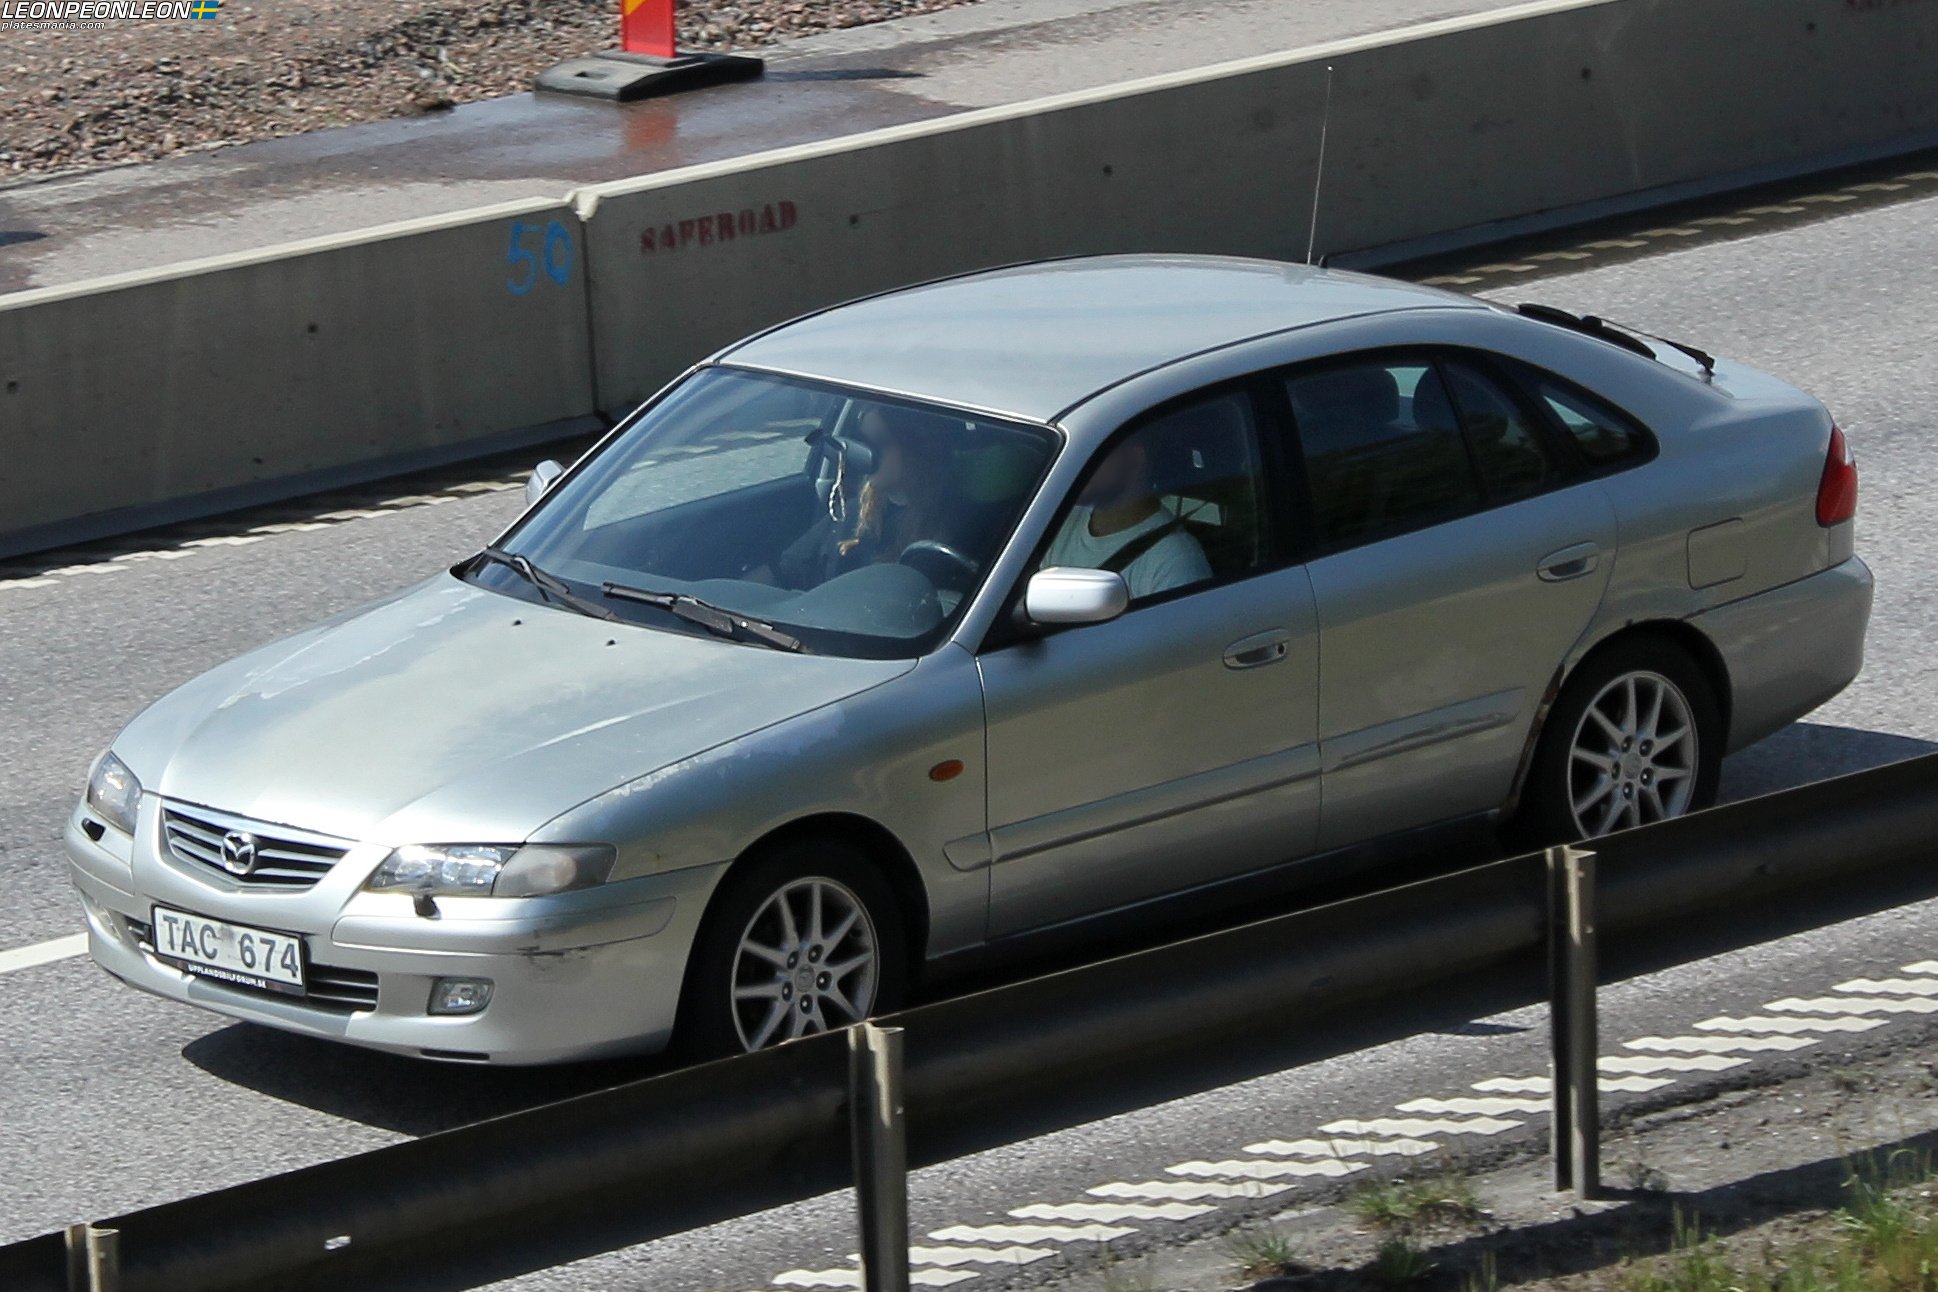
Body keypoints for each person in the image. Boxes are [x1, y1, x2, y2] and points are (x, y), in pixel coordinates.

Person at [770, 404, 948, 590]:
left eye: (880, 443)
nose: (868, 454)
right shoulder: (853, 512)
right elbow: (785, 568)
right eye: (863, 442)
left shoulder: (947, 525)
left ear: (915, 449)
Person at [1042, 431, 1210, 601]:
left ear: (1134, 461)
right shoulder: (1061, 521)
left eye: (1093, 453)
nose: (1076, 464)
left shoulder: (1175, 560)